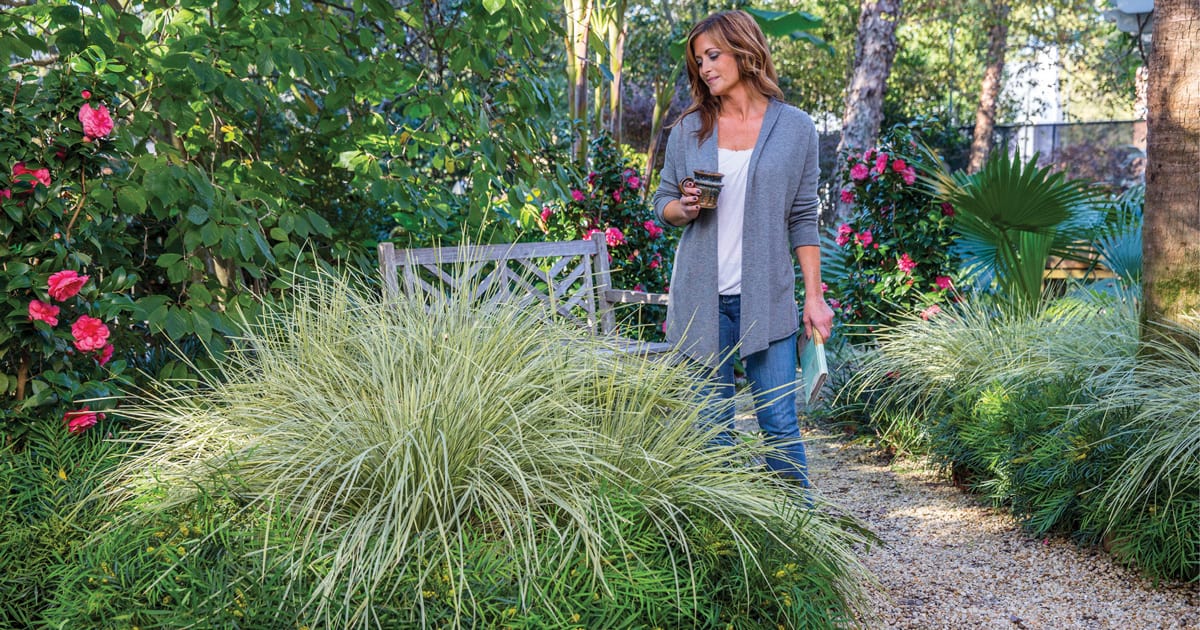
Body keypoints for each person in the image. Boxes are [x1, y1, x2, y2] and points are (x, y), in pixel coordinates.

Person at [651, 10, 833, 486]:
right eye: (699, 61)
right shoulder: (690, 129)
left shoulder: (795, 128)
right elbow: (662, 202)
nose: (705, 68)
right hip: (700, 302)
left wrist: (814, 298)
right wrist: (684, 209)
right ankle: (723, 550)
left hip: (767, 299)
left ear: (744, 51)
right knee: (710, 437)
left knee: (779, 426)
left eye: (713, 55)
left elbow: (802, 217)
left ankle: (801, 544)